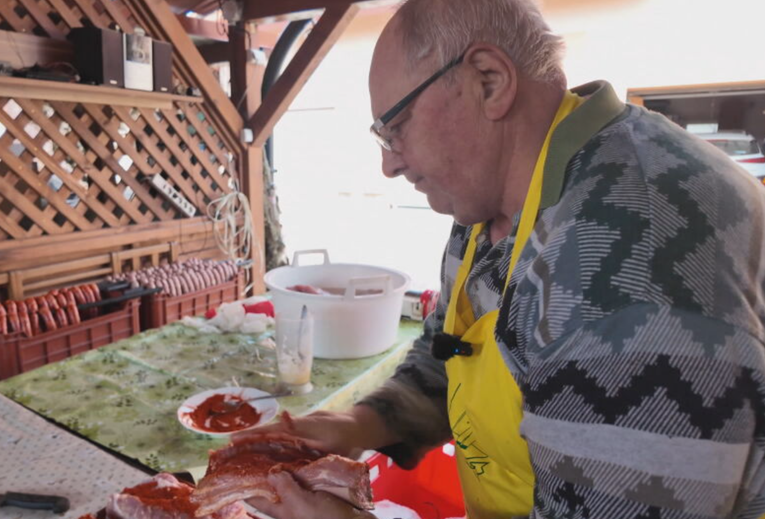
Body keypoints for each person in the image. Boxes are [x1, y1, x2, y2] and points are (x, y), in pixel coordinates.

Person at [241, 0, 765, 517]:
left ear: (489, 81)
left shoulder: (624, 261)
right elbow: (450, 351)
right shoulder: (491, 202)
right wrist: (362, 423)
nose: (388, 165)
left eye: (394, 127)